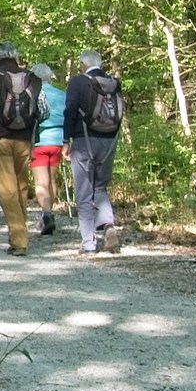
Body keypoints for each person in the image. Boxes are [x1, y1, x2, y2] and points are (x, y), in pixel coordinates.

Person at [0, 43, 43, 254]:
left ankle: (19, 240)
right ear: (16, 56)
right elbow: (44, 111)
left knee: (7, 190)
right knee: (21, 186)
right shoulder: (31, 79)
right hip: (24, 139)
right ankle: (19, 233)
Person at [65, 49, 127, 254]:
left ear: (83, 65)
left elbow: (70, 111)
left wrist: (65, 140)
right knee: (100, 187)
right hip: (108, 142)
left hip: (83, 141)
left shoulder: (78, 82)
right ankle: (108, 226)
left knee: (83, 192)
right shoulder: (114, 84)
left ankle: (88, 243)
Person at [30, 56, 69, 239]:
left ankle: (46, 214)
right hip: (58, 141)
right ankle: (49, 213)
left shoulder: (33, 94)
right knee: (52, 180)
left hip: (39, 142)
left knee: (41, 182)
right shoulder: (61, 94)